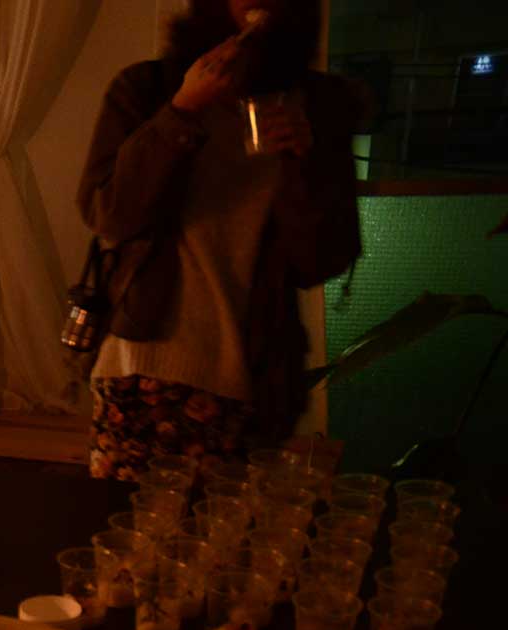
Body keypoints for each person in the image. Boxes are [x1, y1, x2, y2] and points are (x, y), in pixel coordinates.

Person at [76, 0, 362, 480]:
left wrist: (305, 165)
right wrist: (182, 110)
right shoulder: (147, 88)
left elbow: (319, 262)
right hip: (143, 369)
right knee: (132, 525)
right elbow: (109, 214)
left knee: (235, 527)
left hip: (257, 377)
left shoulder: (317, 105)